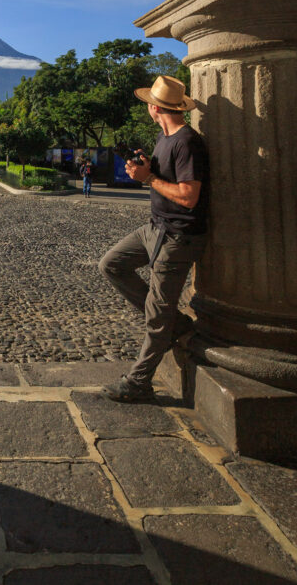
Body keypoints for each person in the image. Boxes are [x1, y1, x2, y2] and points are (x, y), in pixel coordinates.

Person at [98, 75, 209, 402]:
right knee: (111, 265)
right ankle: (177, 326)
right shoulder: (164, 138)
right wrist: (146, 170)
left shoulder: (187, 142)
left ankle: (138, 382)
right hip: (154, 228)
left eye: (149, 102)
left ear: (155, 106)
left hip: (178, 236)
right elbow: (164, 179)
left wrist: (148, 179)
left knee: (157, 313)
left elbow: (189, 196)